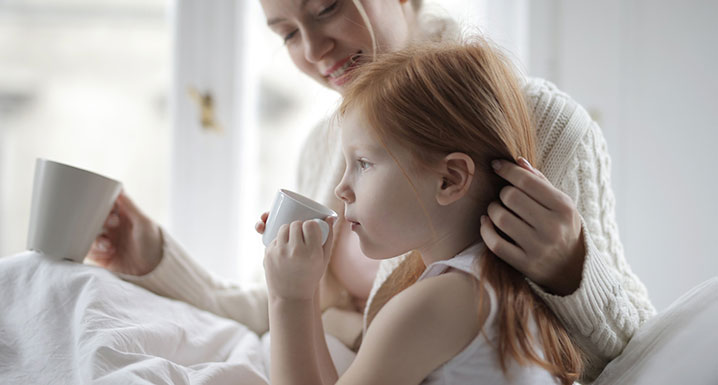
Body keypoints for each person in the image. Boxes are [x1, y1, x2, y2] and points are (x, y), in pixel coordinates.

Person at [86, 0, 655, 382]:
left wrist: (570, 269)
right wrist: (155, 257)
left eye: (328, 5)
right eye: (286, 33)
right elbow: (279, 309)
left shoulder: (539, 124)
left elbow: (636, 353)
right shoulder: (325, 141)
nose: (312, 49)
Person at [265, 39, 584, 385]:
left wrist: (288, 299)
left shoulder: (434, 305)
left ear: (449, 180)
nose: (342, 189)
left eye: (364, 163)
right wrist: (307, 290)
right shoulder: (498, 287)